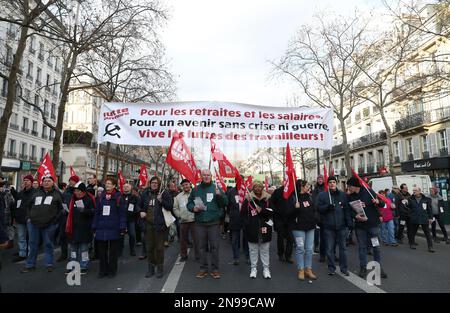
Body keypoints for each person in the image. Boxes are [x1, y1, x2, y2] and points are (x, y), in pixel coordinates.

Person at [187, 169, 228, 279]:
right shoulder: (195, 189)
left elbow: (225, 203)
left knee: (214, 247)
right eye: (204, 175)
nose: (206, 177)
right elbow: (189, 203)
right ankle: (203, 269)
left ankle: (215, 269)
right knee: (201, 247)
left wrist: (220, 195)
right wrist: (193, 208)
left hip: (214, 223)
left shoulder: (216, 188)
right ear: (201, 176)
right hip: (200, 223)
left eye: (208, 175)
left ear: (211, 176)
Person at [21, 176, 63, 273]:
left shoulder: (57, 194)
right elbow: (28, 205)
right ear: (42, 182)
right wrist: (28, 217)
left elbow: (62, 209)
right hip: (33, 223)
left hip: (49, 224)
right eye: (44, 181)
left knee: (48, 244)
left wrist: (55, 221)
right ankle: (30, 265)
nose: (46, 183)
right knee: (32, 244)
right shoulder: (36, 193)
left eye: (49, 181)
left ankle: (49, 264)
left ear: (53, 183)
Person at [347, 177, 387, 279]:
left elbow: (382, 204)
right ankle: (363, 268)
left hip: (373, 226)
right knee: (362, 247)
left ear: (354, 186)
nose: (348, 188)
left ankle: (378, 268)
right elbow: (349, 210)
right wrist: (355, 216)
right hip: (360, 227)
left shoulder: (369, 192)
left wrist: (378, 202)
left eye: (349, 186)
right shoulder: (350, 196)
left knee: (376, 247)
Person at [139, 176, 174, 278]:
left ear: (159, 184)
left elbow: (170, 206)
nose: (154, 184)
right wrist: (141, 211)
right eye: (152, 182)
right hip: (148, 224)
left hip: (160, 225)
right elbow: (139, 205)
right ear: (150, 183)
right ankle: (151, 267)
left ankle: (160, 268)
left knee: (159, 248)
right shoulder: (145, 193)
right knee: (149, 247)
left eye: (156, 183)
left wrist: (162, 201)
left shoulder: (164, 193)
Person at [317, 176, 352, 276]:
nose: (332, 184)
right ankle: (331, 268)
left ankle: (344, 268)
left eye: (334, 182)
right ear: (327, 184)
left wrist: (349, 222)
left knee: (343, 248)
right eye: (330, 182)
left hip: (341, 226)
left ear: (336, 183)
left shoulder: (343, 195)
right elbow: (318, 208)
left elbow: (346, 210)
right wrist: (327, 207)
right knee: (329, 249)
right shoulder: (322, 195)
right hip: (328, 226)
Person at [92, 177, 126, 278]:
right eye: (106, 183)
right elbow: (97, 213)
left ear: (114, 185)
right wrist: (94, 226)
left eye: (110, 184)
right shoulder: (101, 197)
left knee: (113, 252)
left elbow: (122, 214)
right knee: (102, 252)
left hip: (114, 228)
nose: (107, 185)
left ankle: (112, 271)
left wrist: (122, 227)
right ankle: (102, 271)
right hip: (101, 228)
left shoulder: (119, 197)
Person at [287, 180, 320, 281]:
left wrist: (315, 219)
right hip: (298, 228)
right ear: (301, 187)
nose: (308, 187)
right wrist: (295, 208)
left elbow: (314, 210)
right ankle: (301, 269)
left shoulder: (309, 196)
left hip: (310, 227)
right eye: (306, 186)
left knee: (309, 249)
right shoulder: (292, 198)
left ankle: (308, 269)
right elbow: (288, 214)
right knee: (300, 248)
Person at [241, 181, 273, 279]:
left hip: (265, 228)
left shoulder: (268, 198)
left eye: (260, 186)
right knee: (253, 250)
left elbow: (272, 212)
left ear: (262, 187)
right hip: (252, 229)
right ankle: (253, 269)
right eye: (256, 186)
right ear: (253, 188)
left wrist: (262, 210)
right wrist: (247, 225)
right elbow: (242, 214)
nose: (258, 188)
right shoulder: (248, 199)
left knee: (265, 250)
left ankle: (266, 269)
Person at [65, 182, 95, 274]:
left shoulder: (89, 199)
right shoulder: (72, 200)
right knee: (73, 250)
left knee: (84, 250)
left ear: (82, 192)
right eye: (75, 191)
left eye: (78, 191)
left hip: (85, 229)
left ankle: (83, 266)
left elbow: (94, 211)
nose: (76, 193)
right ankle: (72, 265)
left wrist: (85, 211)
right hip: (73, 229)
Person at [173, 179, 199, 262]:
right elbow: (175, 208)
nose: (185, 186)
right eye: (183, 185)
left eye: (186, 184)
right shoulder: (178, 196)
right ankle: (183, 255)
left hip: (194, 220)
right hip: (183, 221)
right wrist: (179, 215)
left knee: (196, 240)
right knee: (183, 240)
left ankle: (198, 256)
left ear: (190, 184)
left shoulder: (195, 194)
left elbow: (199, 205)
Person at [12, 175, 35, 262]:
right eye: (24, 180)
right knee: (21, 237)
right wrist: (15, 216)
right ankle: (22, 254)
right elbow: (16, 205)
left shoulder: (35, 192)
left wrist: (31, 216)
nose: (26, 182)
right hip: (20, 218)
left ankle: (30, 254)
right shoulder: (20, 193)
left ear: (31, 182)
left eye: (28, 180)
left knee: (31, 238)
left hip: (30, 219)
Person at [226, 180, 249, 265]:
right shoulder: (231, 192)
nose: (240, 183)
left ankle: (247, 257)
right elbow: (227, 205)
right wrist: (230, 214)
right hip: (235, 219)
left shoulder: (248, 191)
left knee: (246, 239)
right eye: (239, 181)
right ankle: (236, 258)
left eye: (242, 181)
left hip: (246, 219)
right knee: (235, 240)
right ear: (236, 181)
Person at [58, 175, 80, 262]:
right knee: (63, 236)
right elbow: (62, 202)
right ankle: (63, 254)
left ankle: (73, 255)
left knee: (72, 238)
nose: (71, 182)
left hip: (74, 218)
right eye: (70, 180)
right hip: (64, 217)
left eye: (73, 181)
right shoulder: (66, 191)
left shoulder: (78, 191)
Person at [270, 185, 294, 263]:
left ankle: (288, 256)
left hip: (290, 218)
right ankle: (281, 254)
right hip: (279, 219)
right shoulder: (278, 191)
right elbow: (271, 203)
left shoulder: (293, 192)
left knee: (290, 238)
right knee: (280, 237)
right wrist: (276, 211)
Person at [408, 187, 434, 253]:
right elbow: (408, 209)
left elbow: (429, 209)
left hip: (424, 218)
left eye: (415, 190)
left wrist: (430, 218)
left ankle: (430, 247)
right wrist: (410, 216)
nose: (414, 191)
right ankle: (412, 244)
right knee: (412, 232)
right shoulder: (410, 199)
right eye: (413, 190)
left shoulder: (426, 199)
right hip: (414, 218)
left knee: (427, 233)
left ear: (419, 191)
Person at [121, 183, 140, 257]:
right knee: (121, 235)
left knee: (132, 234)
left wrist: (134, 213)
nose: (125, 188)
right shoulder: (120, 196)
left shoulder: (134, 197)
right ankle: (120, 249)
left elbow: (137, 207)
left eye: (127, 187)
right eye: (124, 186)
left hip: (131, 219)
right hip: (122, 219)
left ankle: (132, 249)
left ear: (130, 188)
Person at [311, 175, 326, 262]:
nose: (320, 180)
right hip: (318, 214)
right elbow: (314, 201)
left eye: (321, 179)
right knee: (317, 232)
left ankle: (327, 252)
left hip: (325, 213)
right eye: (319, 179)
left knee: (325, 235)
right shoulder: (315, 190)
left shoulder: (326, 188)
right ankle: (316, 246)